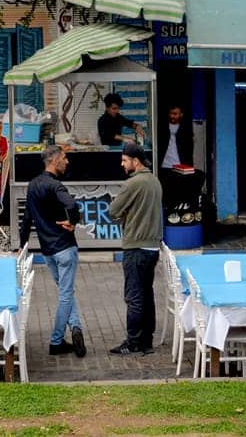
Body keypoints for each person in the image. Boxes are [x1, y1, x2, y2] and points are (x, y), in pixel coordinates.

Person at [18, 144, 87, 358]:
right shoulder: (56, 186)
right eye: (64, 158)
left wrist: (22, 246)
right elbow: (73, 206)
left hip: (47, 250)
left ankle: (75, 326)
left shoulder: (33, 185)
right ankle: (56, 341)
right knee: (66, 295)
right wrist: (73, 221)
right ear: (54, 160)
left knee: (66, 292)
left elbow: (27, 219)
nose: (67, 161)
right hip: (65, 247)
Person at [107, 141, 163, 355]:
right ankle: (146, 340)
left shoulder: (134, 183)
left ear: (135, 161)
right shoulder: (154, 181)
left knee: (133, 296)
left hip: (136, 247)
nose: (122, 164)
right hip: (151, 247)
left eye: (124, 160)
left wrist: (125, 213)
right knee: (146, 294)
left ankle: (133, 342)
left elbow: (113, 210)